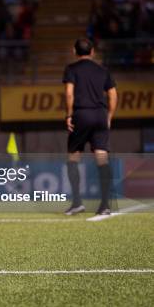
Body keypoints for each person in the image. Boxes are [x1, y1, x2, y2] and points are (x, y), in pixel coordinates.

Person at [63, 38, 117, 216]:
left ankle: (77, 202)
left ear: (74, 51)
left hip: (82, 114)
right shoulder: (103, 70)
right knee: (102, 159)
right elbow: (113, 94)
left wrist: (69, 114)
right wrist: (109, 116)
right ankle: (105, 205)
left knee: (73, 159)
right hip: (100, 116)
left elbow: (69, 94)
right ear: (93, 51)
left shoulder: (71, 69)